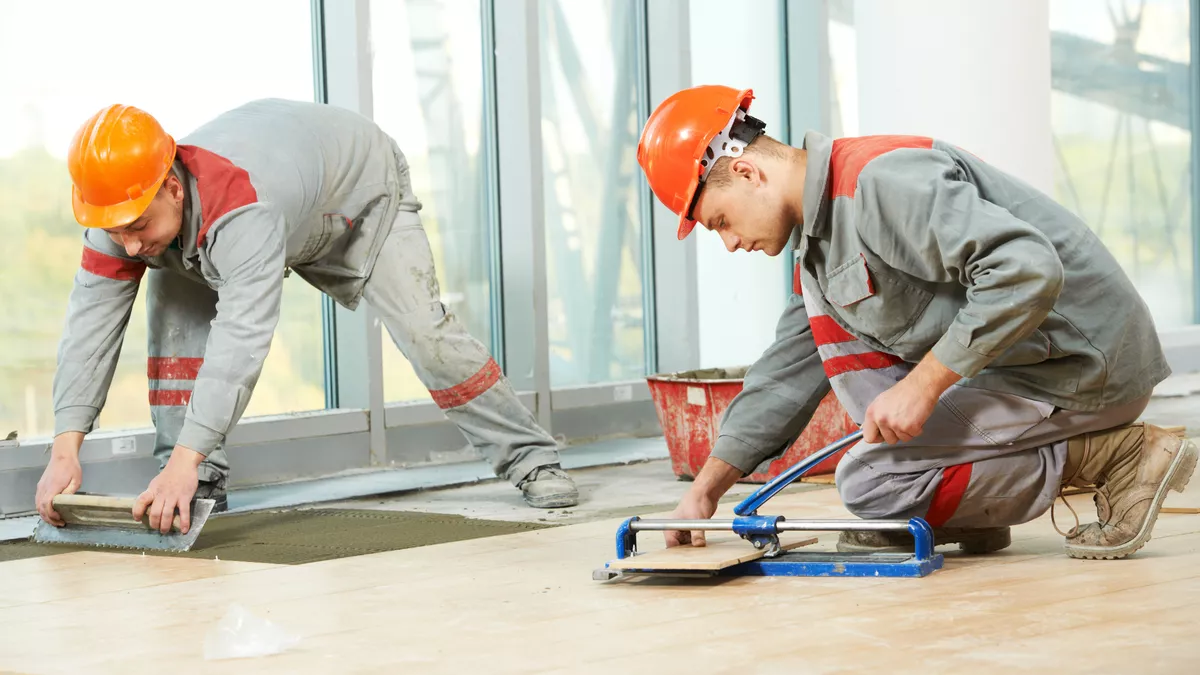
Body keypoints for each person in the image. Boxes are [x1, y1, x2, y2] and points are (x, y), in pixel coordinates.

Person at [637, 84, 1197, 560]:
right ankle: (970, 512)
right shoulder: (819, 249)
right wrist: (705, 492)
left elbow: (1024, 268)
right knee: (825, 337)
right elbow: (786, 373)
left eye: (720, 222)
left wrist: (923, 386)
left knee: (872, 481)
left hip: (1082, 368)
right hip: (1026, 372)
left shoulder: (881, 181)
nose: (731, 243)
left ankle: (1120, 455)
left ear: (746, 171)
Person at [35, 99, 579, 533]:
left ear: (173, 187)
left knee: (424, 332)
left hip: (357, 193)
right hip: (276, 194)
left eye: (137, 227)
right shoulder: (119, 210)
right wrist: (65, 449)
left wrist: (177, 462)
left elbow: (240, 344)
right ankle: (199, 478)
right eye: (117, 232)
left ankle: (531, 458)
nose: (128, 247)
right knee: (174, 317)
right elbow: (90, 329)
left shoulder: (242, 207)